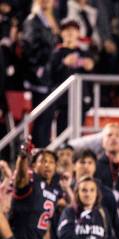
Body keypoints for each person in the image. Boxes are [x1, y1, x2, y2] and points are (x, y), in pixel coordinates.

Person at [21, 0, 59, 147]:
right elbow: (30, 49)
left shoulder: (51, 19)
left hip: (49, 78)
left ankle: (42, 151)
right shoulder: (33, 21)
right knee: (41, 120)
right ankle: (37, 154)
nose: (46, 2)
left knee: (47, 119)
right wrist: (40, 70)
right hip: (38, 79)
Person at [49, 18, 95, 134]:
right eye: (66, 29)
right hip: (63, 102)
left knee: (79, 133)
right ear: (61, 33)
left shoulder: (85, 53)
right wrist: (64, 64)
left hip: (81, 100)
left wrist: (90, 67)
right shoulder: (56, 53)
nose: (70, 32)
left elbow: (92, 78)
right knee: (63, 132)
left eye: (74, 29)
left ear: (78, 33)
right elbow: (50, 76)